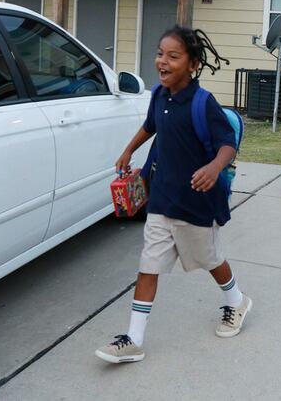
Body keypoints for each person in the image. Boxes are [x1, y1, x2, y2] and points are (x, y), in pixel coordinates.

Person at [95, 26, 250, 364]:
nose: (161, 62)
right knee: (148, 266)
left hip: (195, 203)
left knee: (210, 260)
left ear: (193, 64)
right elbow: (150, 126)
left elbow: (227, 143)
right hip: (162, 199)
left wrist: (213, 168)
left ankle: (238, 301)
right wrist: (128, 150)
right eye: (160, 54)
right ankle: (133, 338)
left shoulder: (202, 102)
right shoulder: (159, 95)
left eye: (172, 56)